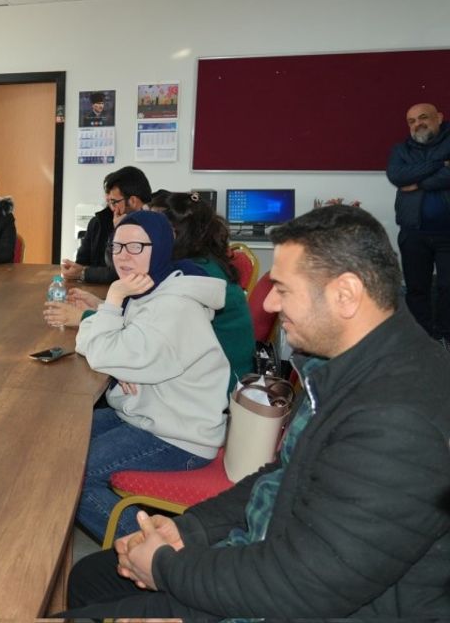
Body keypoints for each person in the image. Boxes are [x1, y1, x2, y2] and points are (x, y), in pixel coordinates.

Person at [63, 205, 450, 620]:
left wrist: (167, 569)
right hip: (273, 555)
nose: (268, 302)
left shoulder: (398, 421)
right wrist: (188, 529)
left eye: (282, 288)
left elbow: (309, 585)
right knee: (90, 578)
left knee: (94, 594)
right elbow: (281, 473)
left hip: (305, 600)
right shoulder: (347, 364)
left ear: (346, 294)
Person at [50, 210, 229, 541]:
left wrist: (114, 300)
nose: (123, 257)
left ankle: (156, 554)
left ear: (158, 247)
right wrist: (116, 358)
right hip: (144, 414)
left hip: (178, 436)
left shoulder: (174, 306)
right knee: (60, 438)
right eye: (117, 247)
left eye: (136, 247)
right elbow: (95, 342)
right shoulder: (154, 289)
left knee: (71, 476)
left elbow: (101, 349)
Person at [157, 191, 255, 391]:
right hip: (226, 376)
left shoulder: (194, 275)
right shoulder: (206, 262)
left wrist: (94, 315)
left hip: (214, 389)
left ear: (175, 233)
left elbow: (153, 336)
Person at [386, 102, 450, 343]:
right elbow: (397, 176)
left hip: (447, 234)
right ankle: (420, 339)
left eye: (423, 117)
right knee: (416, 289)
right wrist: (440, 164)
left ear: (439, 118)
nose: (417, 124)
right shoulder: (401, 149)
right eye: (411, 121)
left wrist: (419, 182)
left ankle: (445, 337)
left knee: (448, 287)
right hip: (413, 232)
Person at [62, 165, 152, 284]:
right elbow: (81, 263)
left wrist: (118, 231)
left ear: (133, 201)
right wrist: (75, 270)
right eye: (108, 201)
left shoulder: (154, 227)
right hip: (97, 290)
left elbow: (122, 272)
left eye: (114, 202)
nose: (112, 207)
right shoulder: (98, 222)